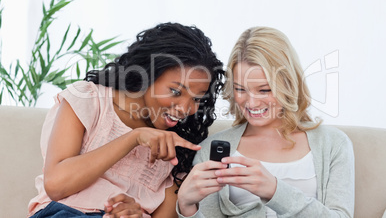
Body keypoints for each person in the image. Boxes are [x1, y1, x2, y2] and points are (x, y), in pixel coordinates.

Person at [28, 22, 224, 218]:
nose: (185, 109)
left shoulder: (177, 149)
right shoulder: (89, 100)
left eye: (197, 99)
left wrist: (135, 215)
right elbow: (56, 185)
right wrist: (134, 138)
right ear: (148, 74)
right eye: (175, 91)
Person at [177, 27, 355, 217]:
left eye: (264, 90)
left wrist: (275, 191)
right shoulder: (210, 149)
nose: (251, 102)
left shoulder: (333, 144)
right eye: (240, 89)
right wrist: (187, 208)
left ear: (288, 84)